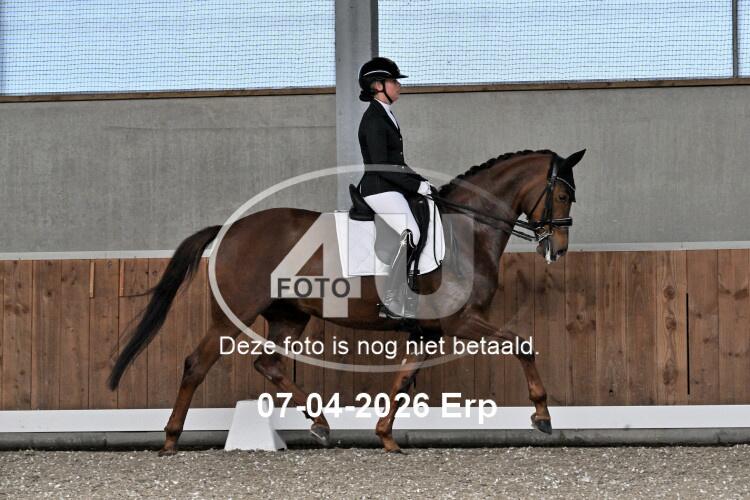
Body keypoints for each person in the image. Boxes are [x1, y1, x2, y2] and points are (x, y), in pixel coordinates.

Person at [356, 57, 432, 319]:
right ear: (377, 85)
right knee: (411, 233)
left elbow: (397, 162)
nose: (399, 86)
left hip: (390, 185)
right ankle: (391, 298)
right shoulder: (374, 119)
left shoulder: (386, 114)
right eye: (393, 81)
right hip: (379, 188)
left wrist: (421, 181)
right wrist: (415, 185)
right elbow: (381, 165)